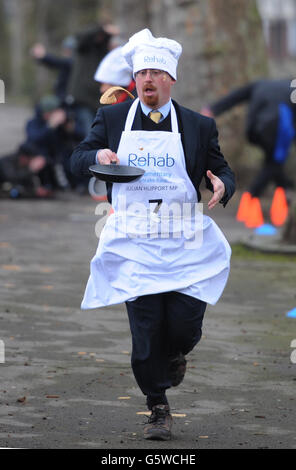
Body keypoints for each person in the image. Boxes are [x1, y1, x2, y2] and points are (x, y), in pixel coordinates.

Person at [71, 29, 235, 441]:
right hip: (134, 238)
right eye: (141, 71)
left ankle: (177, 352)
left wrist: (222, 186)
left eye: (155, 72)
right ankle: (157, 408)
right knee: (145, 331)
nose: (147, 79)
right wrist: (97, 156)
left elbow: (223, 169)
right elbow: (77, 158)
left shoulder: (199, 125)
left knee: (183, 326)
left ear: (170, 80)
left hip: (186, 238)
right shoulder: (111, 118)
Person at [201, 78, 296, 198]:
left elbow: (236, 96)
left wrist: (212, 109)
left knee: (272, 161)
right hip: (277, 128)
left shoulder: (261, 83)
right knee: (275, 162)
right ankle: (251, 196)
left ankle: (284, 189)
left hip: (254, 130)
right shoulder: (294, 89)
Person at [66, 23, 120, 136]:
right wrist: (102, 29)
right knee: (91, 134)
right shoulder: (84, 49)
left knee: (102, 133)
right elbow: (82, 37)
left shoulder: (106, 54)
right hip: (84, 100)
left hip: (99, 101)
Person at [30, 36, 76, 102]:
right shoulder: (68, 62)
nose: (64, 52)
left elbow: (56, 62)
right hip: (62, 97)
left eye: (67, 50)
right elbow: (54, 64)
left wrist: (43, 55)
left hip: (67, 99)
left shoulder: (72, 62)